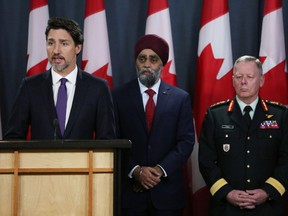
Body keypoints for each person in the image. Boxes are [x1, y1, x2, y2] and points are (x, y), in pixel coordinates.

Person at [112, 34, 195, 216]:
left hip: (168, 196)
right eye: (142, 59)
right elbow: (113, 140)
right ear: (136, 63)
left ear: (162, 64)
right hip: (130, 196)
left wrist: (159, 170)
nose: (147, 64)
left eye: (153, 59)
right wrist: (136, 171)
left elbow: (186, 142)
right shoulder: (118, 97)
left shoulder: (180, 99)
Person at [198, 55, 288, 216]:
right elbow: (206, 161)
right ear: (233, 80)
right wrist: (226, 192)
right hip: (226, 208)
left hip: (268, 208)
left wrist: (268, 191)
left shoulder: (280, 116)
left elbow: (286, 160)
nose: (243, 82)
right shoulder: (216, 115)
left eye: (250, 77)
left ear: (261, 80)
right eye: (239, 77)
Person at [4, 17, 115, 140]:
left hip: (81, 160)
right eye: (51, 43)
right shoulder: (30, 87)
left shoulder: (98, 88)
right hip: (41, 160)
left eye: (64, 43)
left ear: (78, 47)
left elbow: (107, 143)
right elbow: (13, 138)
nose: (56, 50)